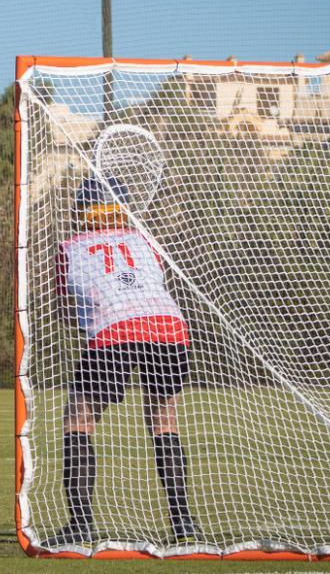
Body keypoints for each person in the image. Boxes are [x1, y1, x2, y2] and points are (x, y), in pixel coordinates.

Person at [47, 175, 200, 546]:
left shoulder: (68, 247)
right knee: (164, 421)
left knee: (78, 420)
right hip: (169, 327)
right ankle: (183, 523)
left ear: (82, 209)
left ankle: (81, 522)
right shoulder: (146, 239)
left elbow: (66, 309)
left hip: (113, 330)